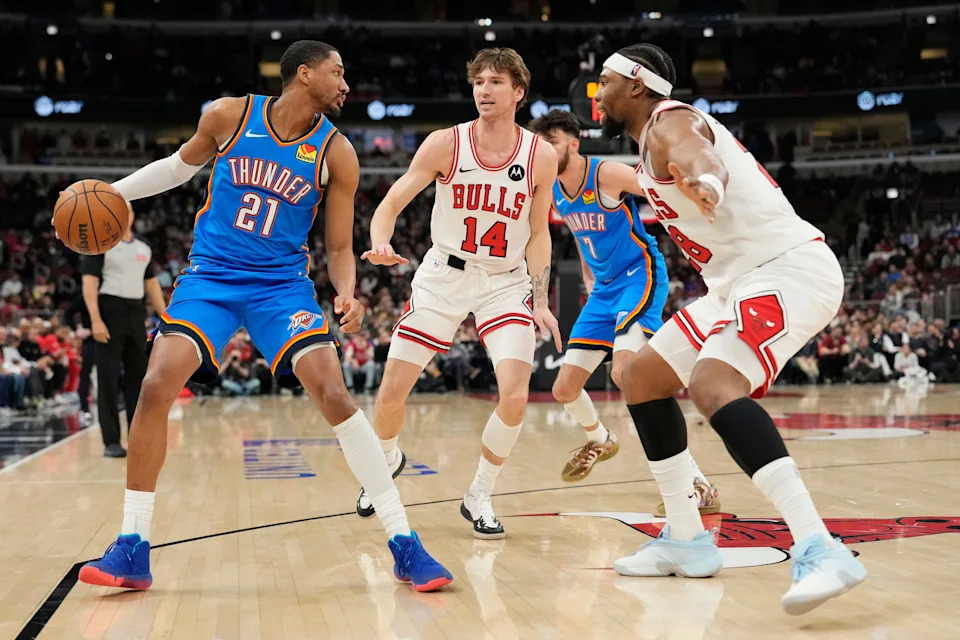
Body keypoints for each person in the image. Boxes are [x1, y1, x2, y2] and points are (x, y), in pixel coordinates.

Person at [71, 40, 451, 592]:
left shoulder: (337, 151)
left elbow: (340, 247)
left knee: (335, 393)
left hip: (282, 287)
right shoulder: (229, 114)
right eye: (337, 73)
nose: (347, 85)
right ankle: (132, 546)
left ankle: (404, 542)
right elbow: (177, 169)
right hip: (212, 278)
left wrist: (346, 291)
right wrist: (113, 192)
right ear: (304, 74)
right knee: (155, 385)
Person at [592, 42, 865, 614]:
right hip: (734, 285)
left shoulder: (672, 121)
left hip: (787, 269)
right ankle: (688, 540)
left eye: (606, 81)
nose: (599, 90)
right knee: (641, 378)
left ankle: (821, 546)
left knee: (715, 385)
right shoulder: (645, 149)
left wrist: (707, 181)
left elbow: (697, 156)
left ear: (638, 86)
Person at [357, 47, 561, 539]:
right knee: (390, 394)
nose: (484, 90)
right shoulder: (446, 143)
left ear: (518, 92)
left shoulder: (541, 154)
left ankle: (480, 495)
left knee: (515, 395)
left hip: (505, 280)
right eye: (478, 82)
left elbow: (538, 232)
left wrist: (540, 300)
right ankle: (387, 457)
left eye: (495, 82)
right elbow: (392, 200)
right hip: (445, 275)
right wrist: (380, 241)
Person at [529, 110, 720, 514]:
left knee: (625, 374)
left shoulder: (605, 174)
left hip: (640, 274)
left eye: (553, 142)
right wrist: (589, 278)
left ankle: (697, 485)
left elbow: (659, 189)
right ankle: (600, 438)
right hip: (605, 289)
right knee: (564, 389)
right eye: (540, 144)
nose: (545, 150)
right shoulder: (552, 189)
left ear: (574, 143)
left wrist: (699, 197)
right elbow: (582, 238)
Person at [81, 205, 166, 457]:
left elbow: (151, 286)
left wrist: (167, 318)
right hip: (109, 311)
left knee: (139, 380)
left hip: (135, 313)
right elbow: (89, 284)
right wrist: (95, 320)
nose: (123, 215)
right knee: (107, 379)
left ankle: (137, 437)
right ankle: (111, 442)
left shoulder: (144, 246)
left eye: (127, 211)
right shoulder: (99, 244)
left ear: (132, 216)